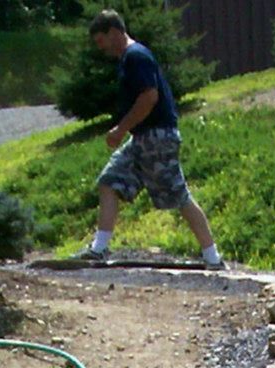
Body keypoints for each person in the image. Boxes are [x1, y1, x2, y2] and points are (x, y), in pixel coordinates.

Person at [80, 10, 223, 268]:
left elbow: (149, 98)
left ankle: (213, 258)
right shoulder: (128, 59)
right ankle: (99, 249)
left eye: (101, 41)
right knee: (109, 181)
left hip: (157, 137)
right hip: (142, 139)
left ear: (114, 32)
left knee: (178, 195)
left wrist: (121, 129)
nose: (101, 48)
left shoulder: (137, 57)